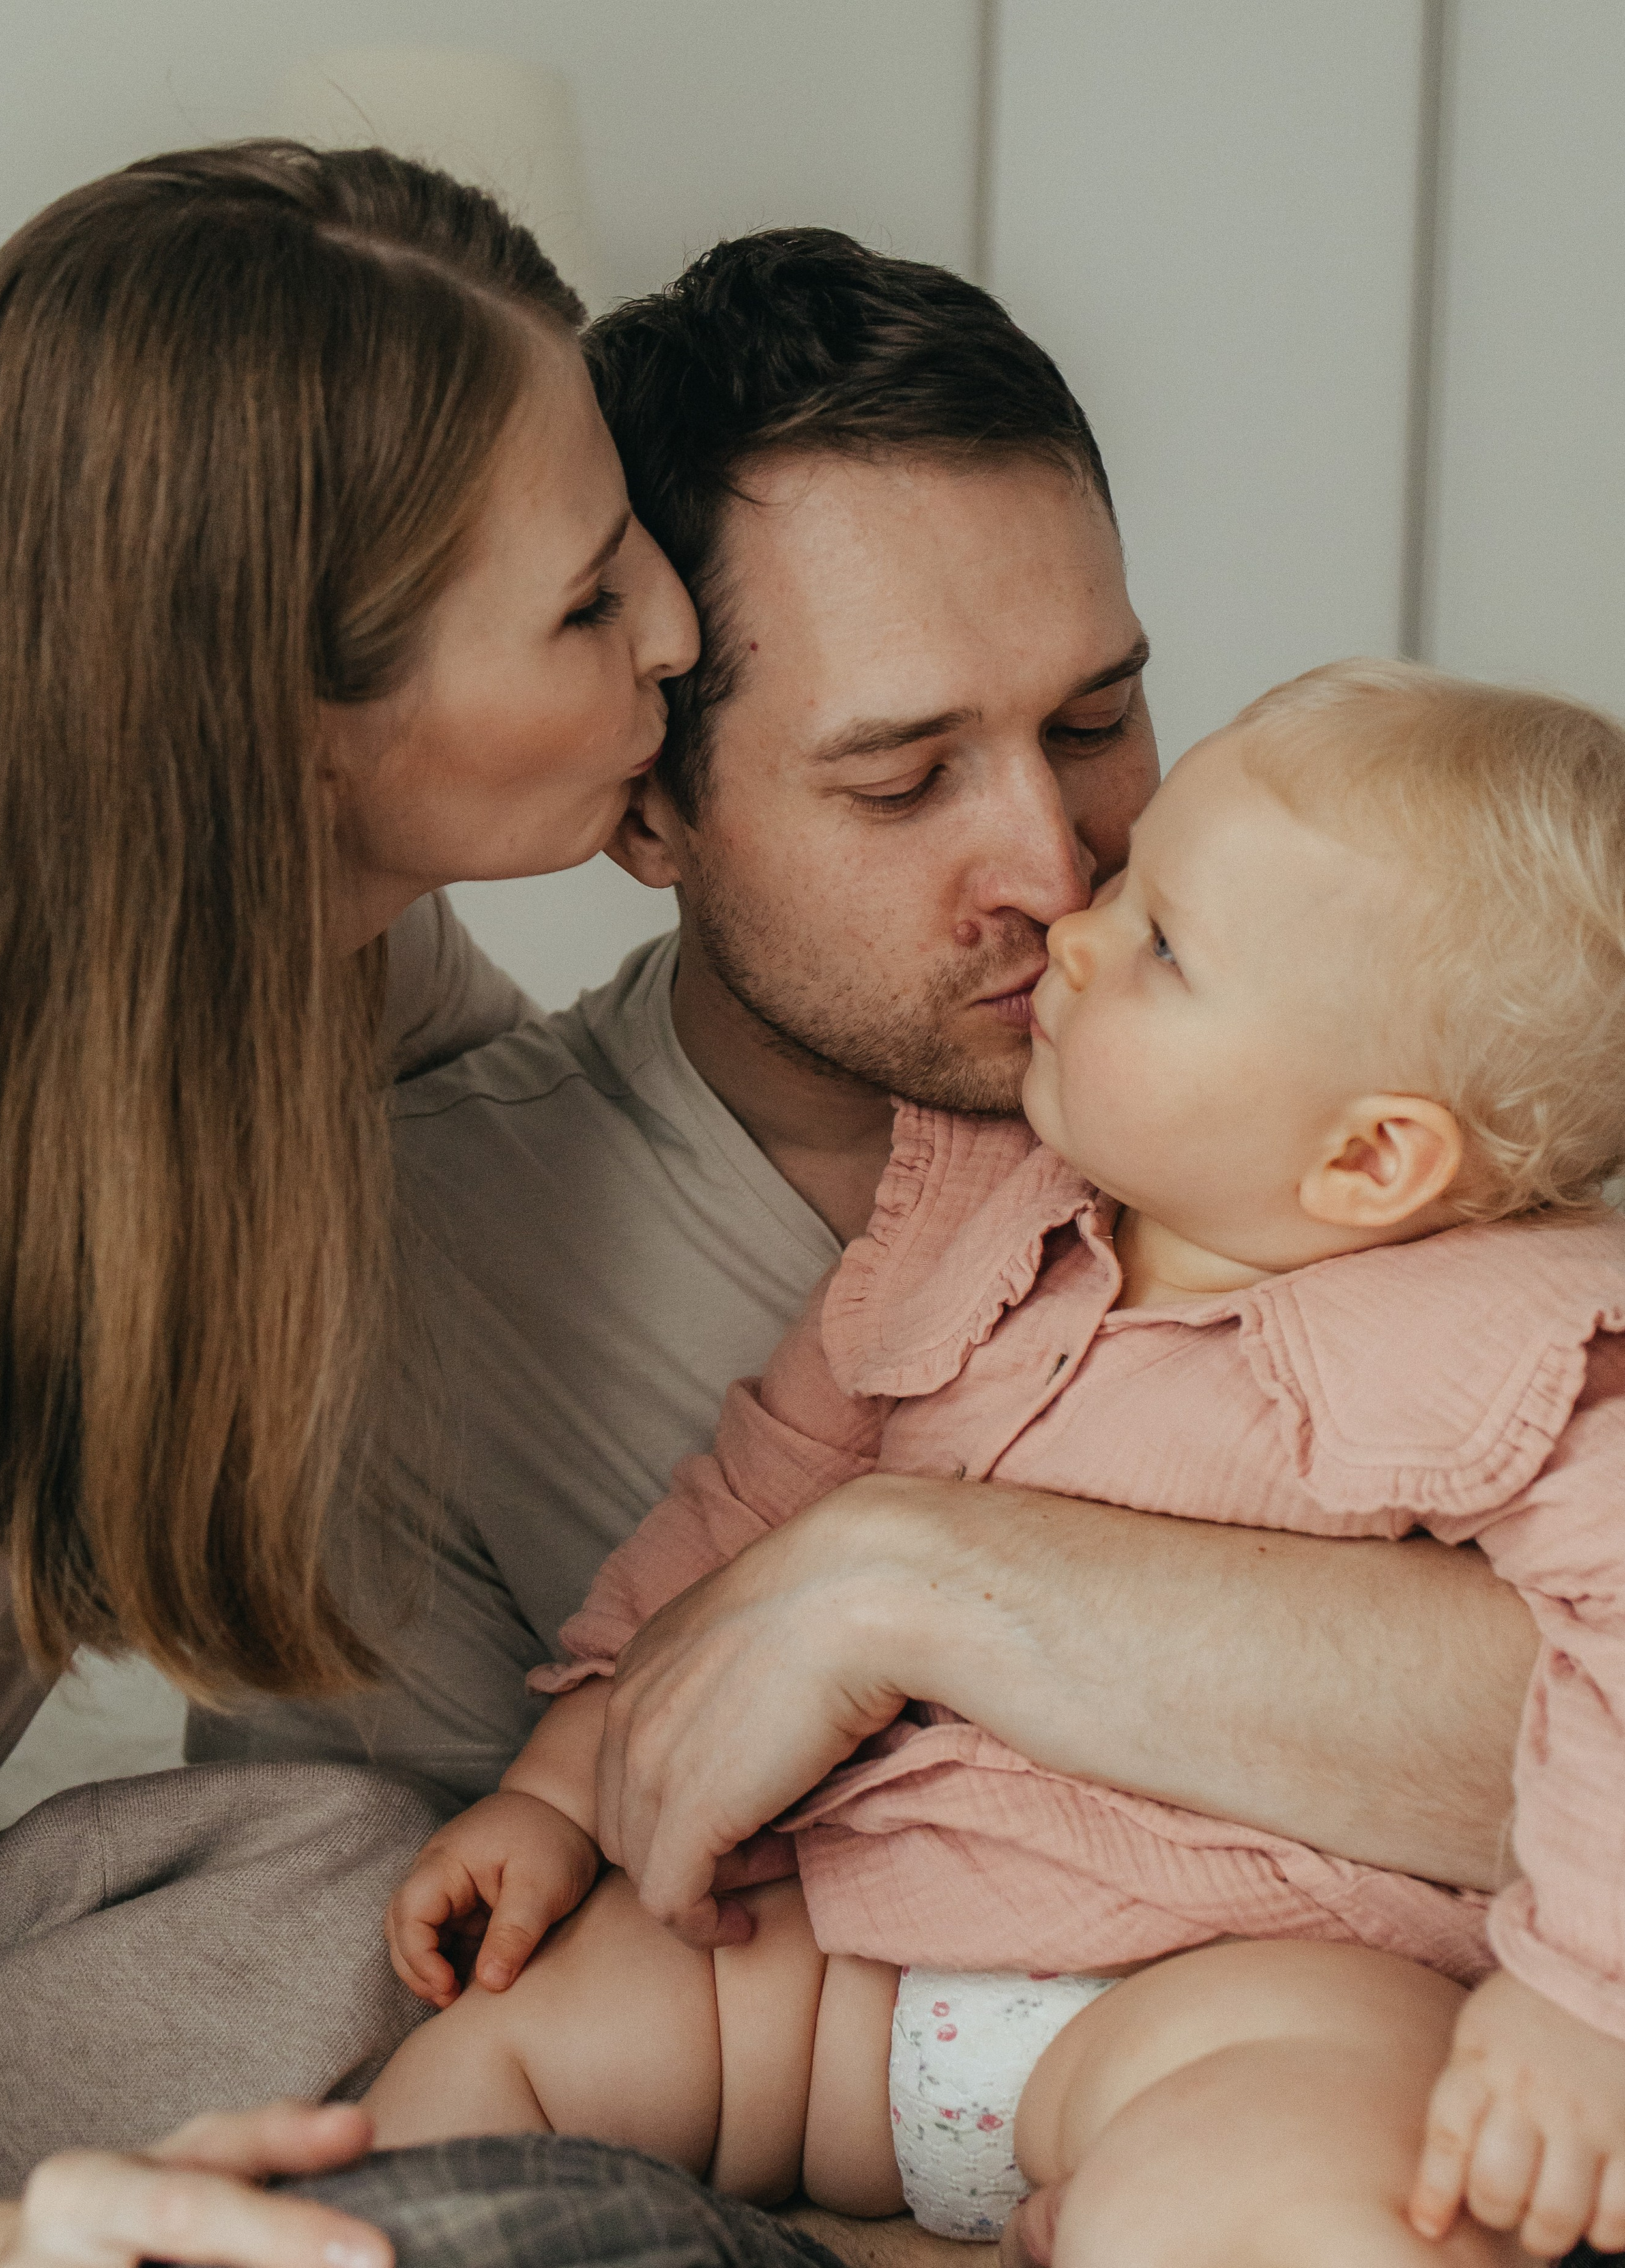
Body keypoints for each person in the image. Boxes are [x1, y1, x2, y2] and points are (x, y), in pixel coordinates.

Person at [202, 231, 1537, 1966]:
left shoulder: (1364, 1104)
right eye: (901, 784)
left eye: (1095, 720)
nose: (1056, 874)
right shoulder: (409, 1297)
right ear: (647, 808)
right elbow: (394, 1982)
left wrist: (906, 1578)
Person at [367, 662, 1625, 2267]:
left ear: (1370, 1156)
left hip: (1236, 1981)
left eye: (1162, 946)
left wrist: (1581, 2002)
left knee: (1297, 2188)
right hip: (837, 1958)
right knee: (491, 2062)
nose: (1075, 930)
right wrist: (558, 1795)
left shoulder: (1513, 1340)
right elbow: (743, 1520)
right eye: (1130, 883)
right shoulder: (975, 1215)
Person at [0, 140, 698, 2264]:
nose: (674, 620)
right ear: (290, 738)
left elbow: (584, 1185)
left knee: (357, 1883)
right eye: (583, 600)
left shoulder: (320, 951)